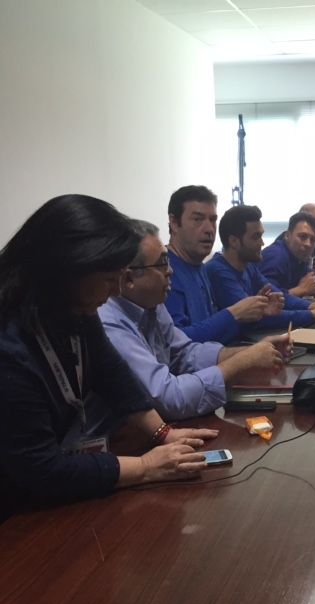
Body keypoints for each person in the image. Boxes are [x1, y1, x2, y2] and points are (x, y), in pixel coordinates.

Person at [0, 195, 217, 521]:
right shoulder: (8, 345)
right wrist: (145, 467)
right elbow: (39, 467)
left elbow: (111, 371)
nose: (116, 290)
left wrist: (163, 434)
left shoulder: (73, 305)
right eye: (108, 278)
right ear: (70, 269)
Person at [96, 221, 290, 427]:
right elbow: (168, 398)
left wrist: (252, 352)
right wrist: (243, 362)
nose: (170, 271)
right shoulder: (109, 324)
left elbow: (184, 353)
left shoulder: (152, 302)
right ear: (129, 279)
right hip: (117, 437)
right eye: (162, 264)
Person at [165, 185, 281, 344]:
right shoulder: (162, 272)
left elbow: (213, 334)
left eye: (212, 220)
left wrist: (253, 314)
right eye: (198, 219)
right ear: (173, 222)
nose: (209, 229)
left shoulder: (198, 267)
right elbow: (175, 344)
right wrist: (233, 314)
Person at [205, 206, 315, 330]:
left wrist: (310, 306)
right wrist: (311, 314)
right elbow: (254, 318)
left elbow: (278, 296)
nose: (262, 243)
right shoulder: (219, 272)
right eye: (256, 237)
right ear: (234, 241)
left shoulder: (248, 267)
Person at [259, 211, 315, 296]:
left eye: (313, 240)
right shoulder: (275, 257)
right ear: (287, 235)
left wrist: (313, 284)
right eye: (302, 236)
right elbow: (267, 297)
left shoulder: (298, 257)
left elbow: (311, 278)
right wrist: (301, 290)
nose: (308, 244)